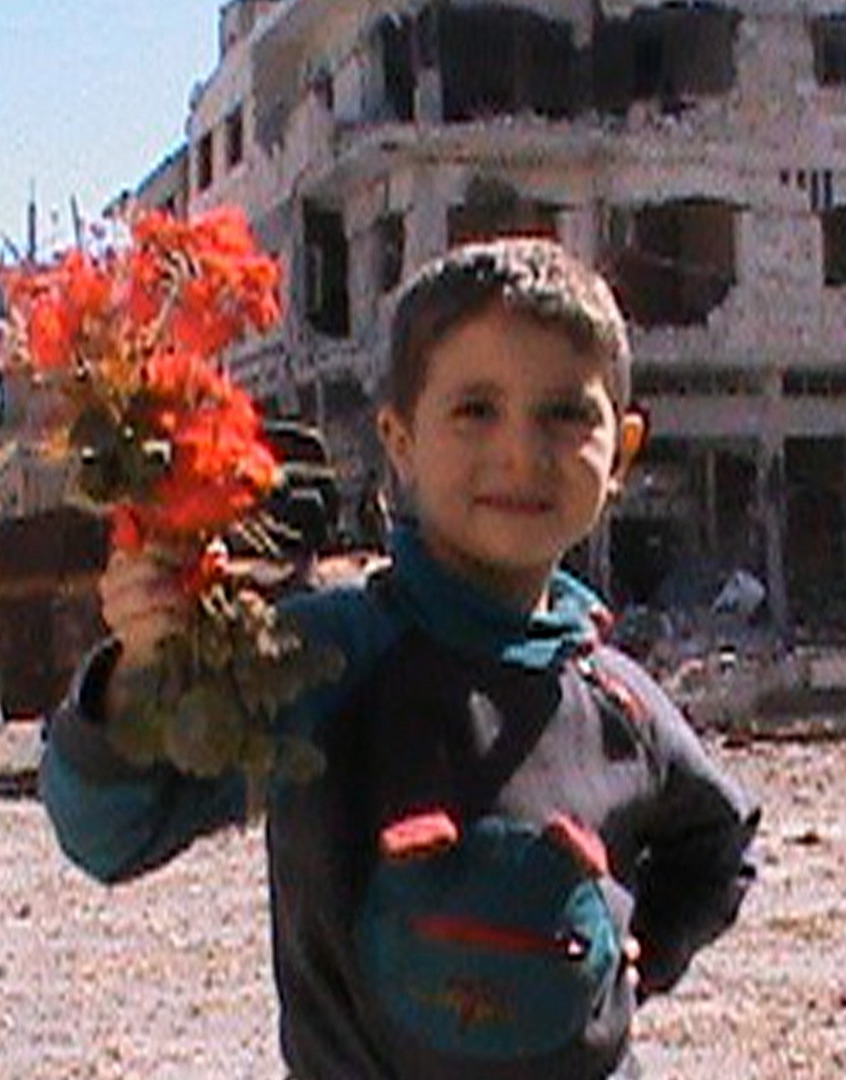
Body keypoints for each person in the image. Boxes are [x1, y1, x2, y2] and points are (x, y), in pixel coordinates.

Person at [39, 238, 760, 1079]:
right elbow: (108, 834)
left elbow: (720, 844)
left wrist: (643, 943)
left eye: (566, 413)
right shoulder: (324, 657)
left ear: (622, 454)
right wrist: (137, 673)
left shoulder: (618, 701)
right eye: (475, 410)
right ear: (401, 439)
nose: (521, 452)